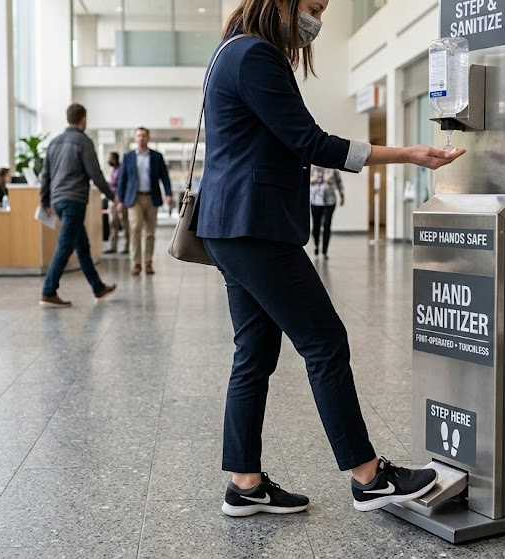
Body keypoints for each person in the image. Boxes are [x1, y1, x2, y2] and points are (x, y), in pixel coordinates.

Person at [197, 0, 466, 517]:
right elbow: (309, 142)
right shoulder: (256, 55)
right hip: (256, 228)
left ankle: (245, 484)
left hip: (231, 226)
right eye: (314, 6)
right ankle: (368, 477)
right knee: (324, 341)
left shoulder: (227, 53)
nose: (318, 19)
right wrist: (407, 154)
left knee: (253, 352)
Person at [38, 103, 118, 307]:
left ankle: (98, 287)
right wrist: (112, 196)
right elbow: (95, 174)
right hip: (74, 200)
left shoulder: (54, 143)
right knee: (65, 245)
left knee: (82, 246)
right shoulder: (83, 141)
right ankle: (48, 291)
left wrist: (44, 200)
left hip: (57, 200)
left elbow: (45, 175)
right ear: (83, 119)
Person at [116, 127, 172, 276]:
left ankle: (148, 263)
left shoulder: (156, 157)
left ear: (148, 138)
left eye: (144, 136)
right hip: (134, 198)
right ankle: (136, 263)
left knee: (150, 232)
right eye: (138, 136)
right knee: (135, 228)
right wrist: (119, 200)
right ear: (135, 138)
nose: (141, 138)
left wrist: (168, 193)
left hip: (152, 197)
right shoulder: (128, 157)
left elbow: (164, 177)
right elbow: (122, 179)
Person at [309, 165, 344, 259]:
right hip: (315, 200)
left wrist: (342, 195)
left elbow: (339, 182)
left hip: (330, 201)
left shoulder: (333, 168)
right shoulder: (313, 167)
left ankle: (325, 251)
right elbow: (305, 180)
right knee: (316, 226)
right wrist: (313, 179)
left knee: (327, 225)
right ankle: (316, 245)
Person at [103, 152, 129, 254]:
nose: (109, 160)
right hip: (113, 200)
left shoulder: (122, 170)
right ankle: (113, 247)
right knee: (113, 224)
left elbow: (122, 185)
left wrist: (120, 200)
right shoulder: (113, 170)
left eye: (110, 158)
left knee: (124, 224)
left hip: (121, 201)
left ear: (115, 159)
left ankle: (127, 247)